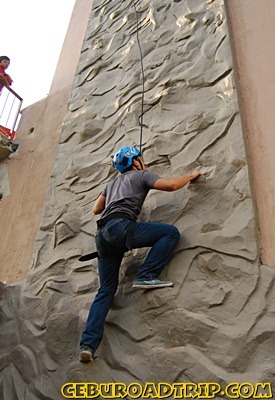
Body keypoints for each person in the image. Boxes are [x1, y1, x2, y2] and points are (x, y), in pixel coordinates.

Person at [79, 146, 201, 362]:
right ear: (135, 162)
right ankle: (146, 275)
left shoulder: (111, 183)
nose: (142, 161)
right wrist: (191, 176)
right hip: (120, 228)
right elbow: (171, 185)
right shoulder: (142, 174)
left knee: (105, 290)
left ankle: (88, 345)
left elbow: (96, 209)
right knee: (170, 233)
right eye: (139, 159)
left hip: (102, 235)